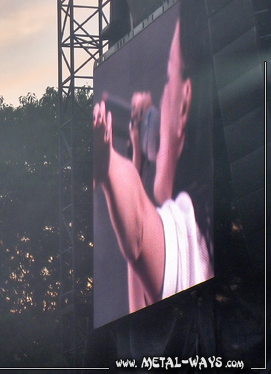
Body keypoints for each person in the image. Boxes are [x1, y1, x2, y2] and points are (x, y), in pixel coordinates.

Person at [93, 1, 213, 313]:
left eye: (168, 81)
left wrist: (108, 165)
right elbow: (141, 301)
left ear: (185, 103)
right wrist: (136, 160)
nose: (161, 100)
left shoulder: (196, 223)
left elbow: (140, 234)